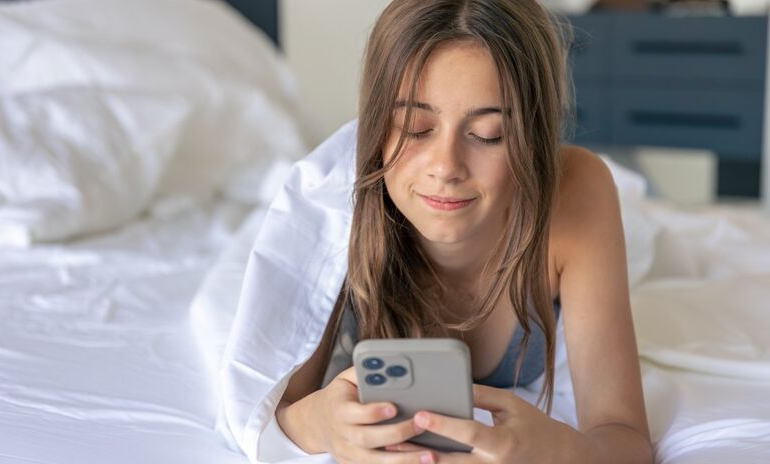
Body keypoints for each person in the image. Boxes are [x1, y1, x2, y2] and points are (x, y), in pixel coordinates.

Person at [273, 0, 652, 462]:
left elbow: (623, 435)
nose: (446, 167)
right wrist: (324, 425)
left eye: (488, 133)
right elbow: (272, 408)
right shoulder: (335, 209)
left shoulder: (575, 193)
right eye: (415, 128)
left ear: (533, 138)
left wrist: (559, 451)